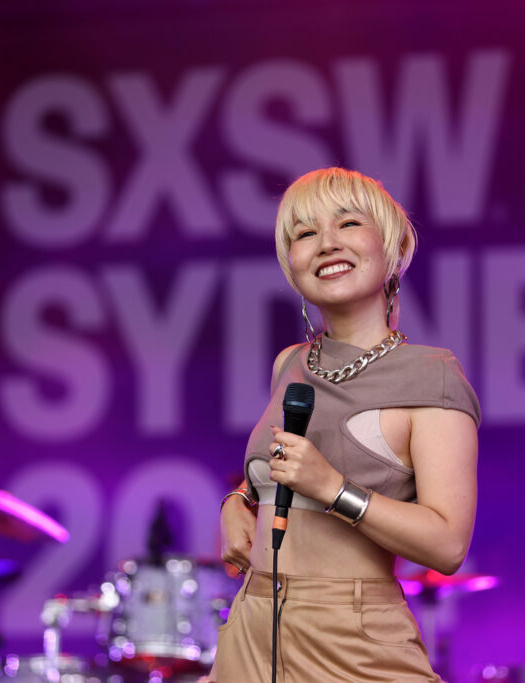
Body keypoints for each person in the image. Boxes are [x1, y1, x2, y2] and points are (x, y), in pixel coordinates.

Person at [207, 168, 480, 682]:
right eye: (305, 234)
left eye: (348, 224)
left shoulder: (431, 375)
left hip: (352, 637)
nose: (326, 244)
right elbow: (279, 468)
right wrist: (237, 502)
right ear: (292, 263)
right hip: (253, 623)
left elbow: (447, 545)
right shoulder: (288, 364)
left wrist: (334, 488)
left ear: (391, 244)